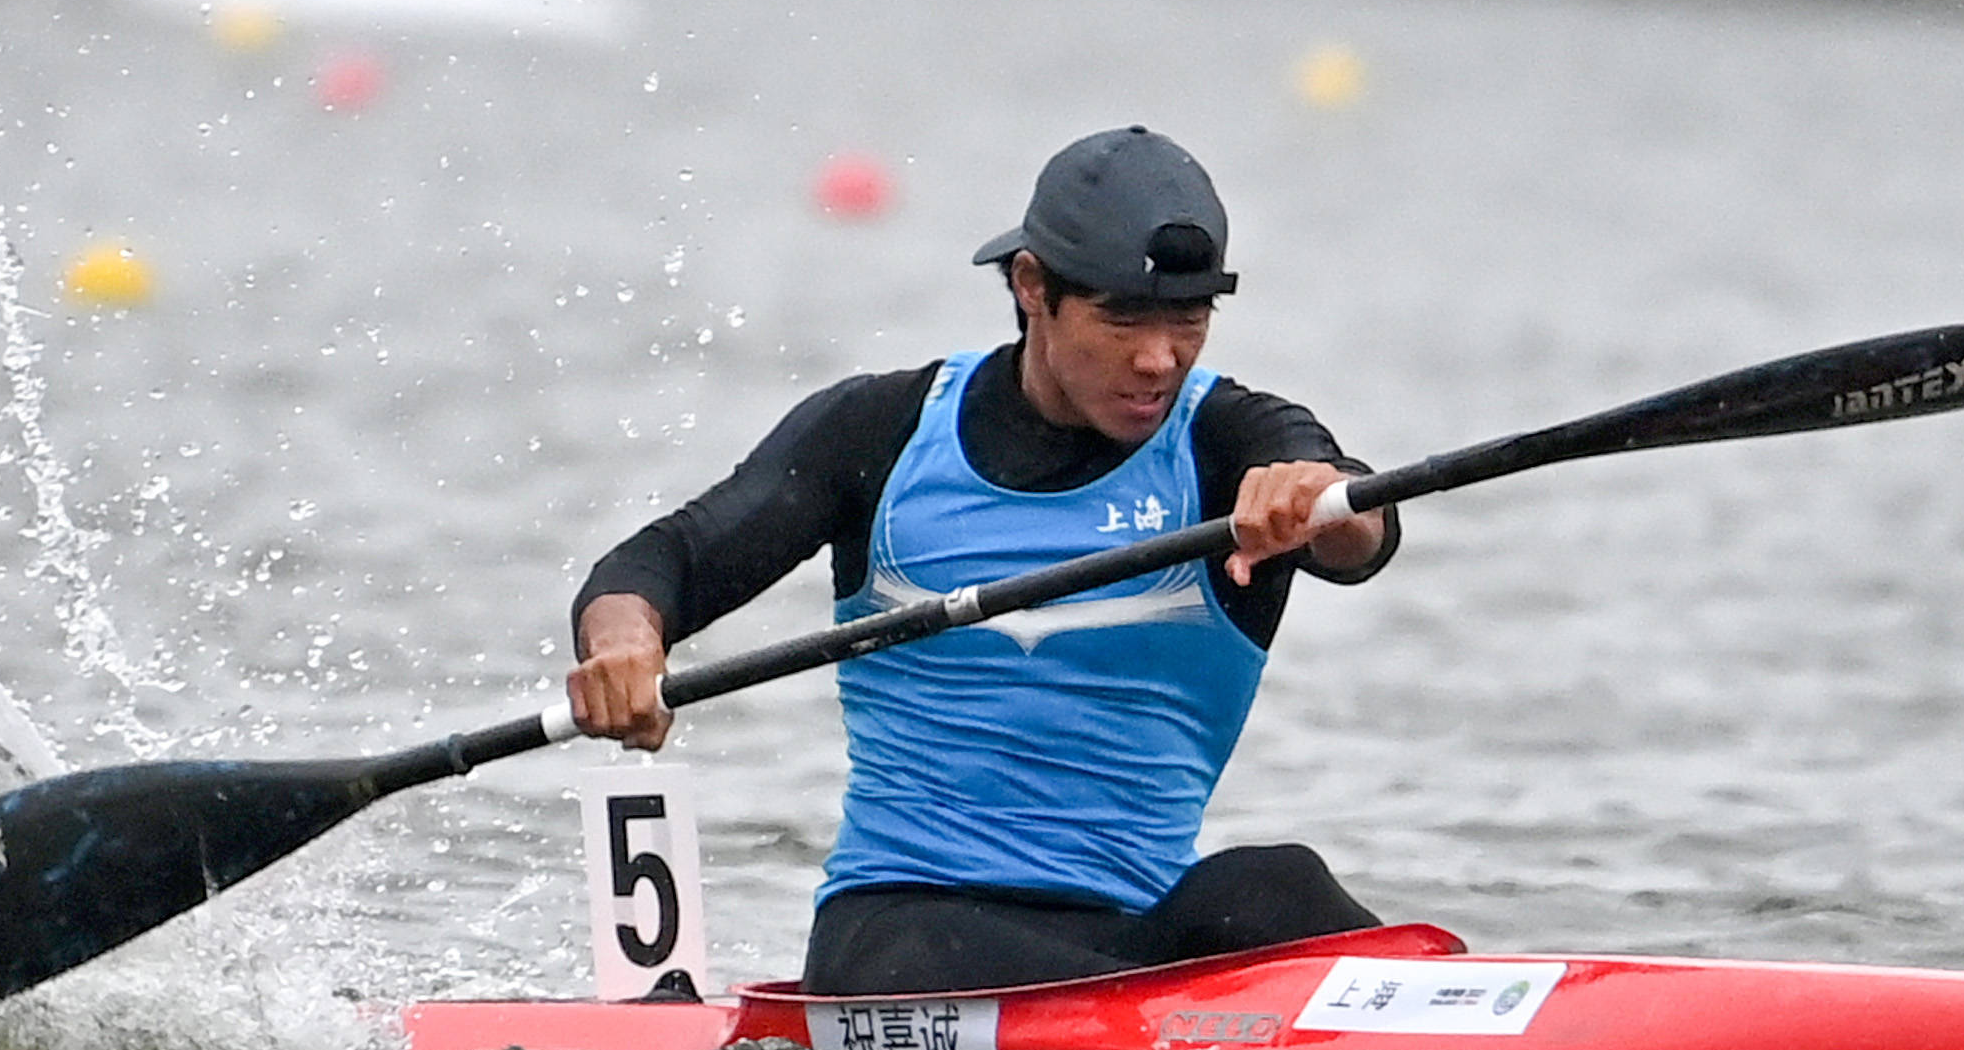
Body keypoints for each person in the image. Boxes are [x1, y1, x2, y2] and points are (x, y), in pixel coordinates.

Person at [567, 127, 1402, 997]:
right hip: (908, 924)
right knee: (931, 953)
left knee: (1279, 884)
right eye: (1123, 318)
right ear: (1032, 285)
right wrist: (623, 644)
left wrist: (1316, 504)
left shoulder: (1235, 440)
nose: (1160, 358)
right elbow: (668, 558)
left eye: (1188, 319)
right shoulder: (880, 432)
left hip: (1140, 931)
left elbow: (1362, 530)